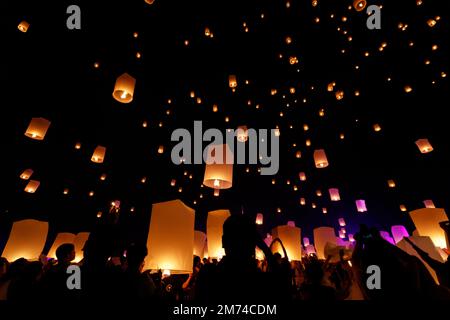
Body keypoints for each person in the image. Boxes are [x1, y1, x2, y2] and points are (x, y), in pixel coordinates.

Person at [195, 214, 290, 303]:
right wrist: (265, 248)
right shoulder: (259, 281)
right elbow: (282, 287)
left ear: (223, 241)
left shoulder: (208, 274)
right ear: (254, 243)